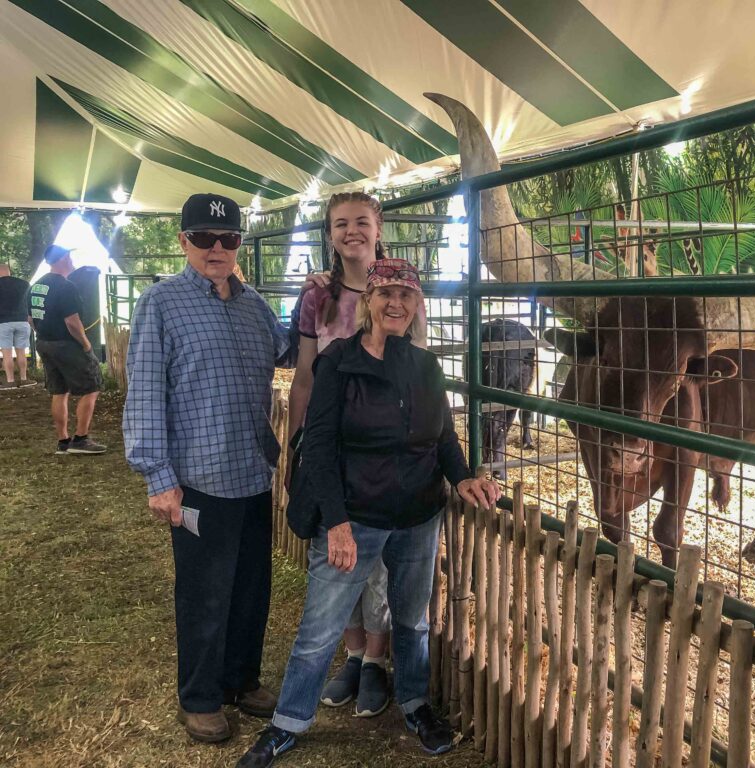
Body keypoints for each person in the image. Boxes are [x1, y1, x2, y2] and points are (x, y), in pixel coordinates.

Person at [236, 259, 498, 767]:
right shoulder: (339, 360)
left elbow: (442, 436)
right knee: (320, 627)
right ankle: (288, 722)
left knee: (411, 619)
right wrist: (336, 522)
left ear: (416, 306)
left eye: (406, 295)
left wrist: (462, 475)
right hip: (355, 516)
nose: (396, 303)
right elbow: (320, 444)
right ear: (368, 304)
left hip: (419, 514)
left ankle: (416, 703)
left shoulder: (425, 366)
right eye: (386, 294)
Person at [123, 192, 327, 744]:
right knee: (203, 592)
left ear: (240, 244)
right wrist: (157, 477)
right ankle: (201, 696)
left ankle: (240, 679)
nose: (217, 249)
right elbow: (144, 393)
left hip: (250, 471)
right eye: (204, 238)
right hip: (196, 479)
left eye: (229, 239)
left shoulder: (253, 304)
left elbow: (287, 353)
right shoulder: (160, 304)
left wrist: (314, 303)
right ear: (183, 241)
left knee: (250, 587)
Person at [290, 192, 425, 718]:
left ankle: (374, 660)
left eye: (361, 222)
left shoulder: (402, 293)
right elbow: (304, 375)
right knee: (335, 555)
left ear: (378, 227)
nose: (352, 232)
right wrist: (301, 446)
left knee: (381, 570)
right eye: (340, 224)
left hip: (385, 452)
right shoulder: (317, 298)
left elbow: (416, 369)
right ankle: (351, 655)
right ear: (329, 234)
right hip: (332, 450)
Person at [29, 246, 105, 453]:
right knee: (91, 387)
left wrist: (44, 334)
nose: (72, 260)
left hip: (44, 342)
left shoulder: (36, 286)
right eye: (69, 256)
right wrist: (85, 343)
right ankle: (81, 439)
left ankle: (63, 441)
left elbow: (31, 319)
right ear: (63, 258)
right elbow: (72, 322)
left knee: (59, 391)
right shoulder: (66, 286)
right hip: (66, 344)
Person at [0, 262, 37, 390]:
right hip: (22, 321)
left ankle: (10, 381)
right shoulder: (24, 284)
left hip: (3, 322)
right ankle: (24, 379)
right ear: (9, 271)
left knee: (7, 353)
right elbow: (30, 302)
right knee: (21, 352)